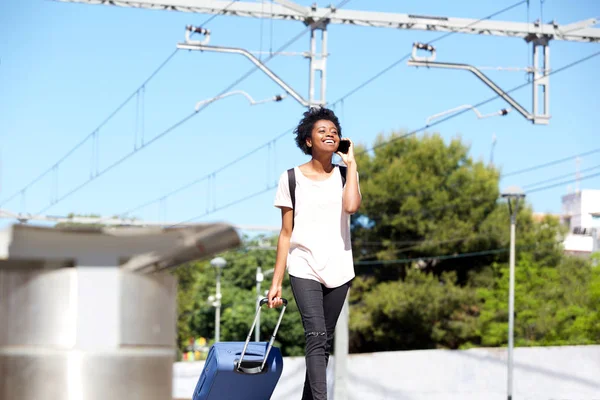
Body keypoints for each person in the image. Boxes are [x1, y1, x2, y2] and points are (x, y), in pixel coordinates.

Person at [267, 106, 361, 399]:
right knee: (316, 335)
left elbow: (351, 207)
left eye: (334, 131)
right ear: (308, 140)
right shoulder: (291, 178)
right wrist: (276, 281)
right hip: (303, 265)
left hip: (339, 267)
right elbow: (286, 234)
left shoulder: (345, 175)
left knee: (323, 341)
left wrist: (353, 164)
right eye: (322, 131)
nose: (330, 134)